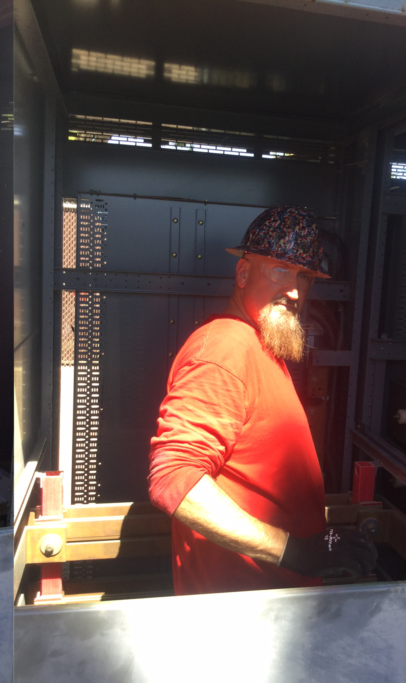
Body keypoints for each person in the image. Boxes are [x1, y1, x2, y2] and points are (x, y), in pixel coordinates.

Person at [148, 205, 376, 595]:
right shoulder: (223, 349)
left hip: (271, 607)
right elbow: (174, 481)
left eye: (304, 276)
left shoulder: (259, 345)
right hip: (240, 618)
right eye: (279, 270)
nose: (294, 291)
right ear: (242, 274)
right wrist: (295, 551)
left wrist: (313, 541)